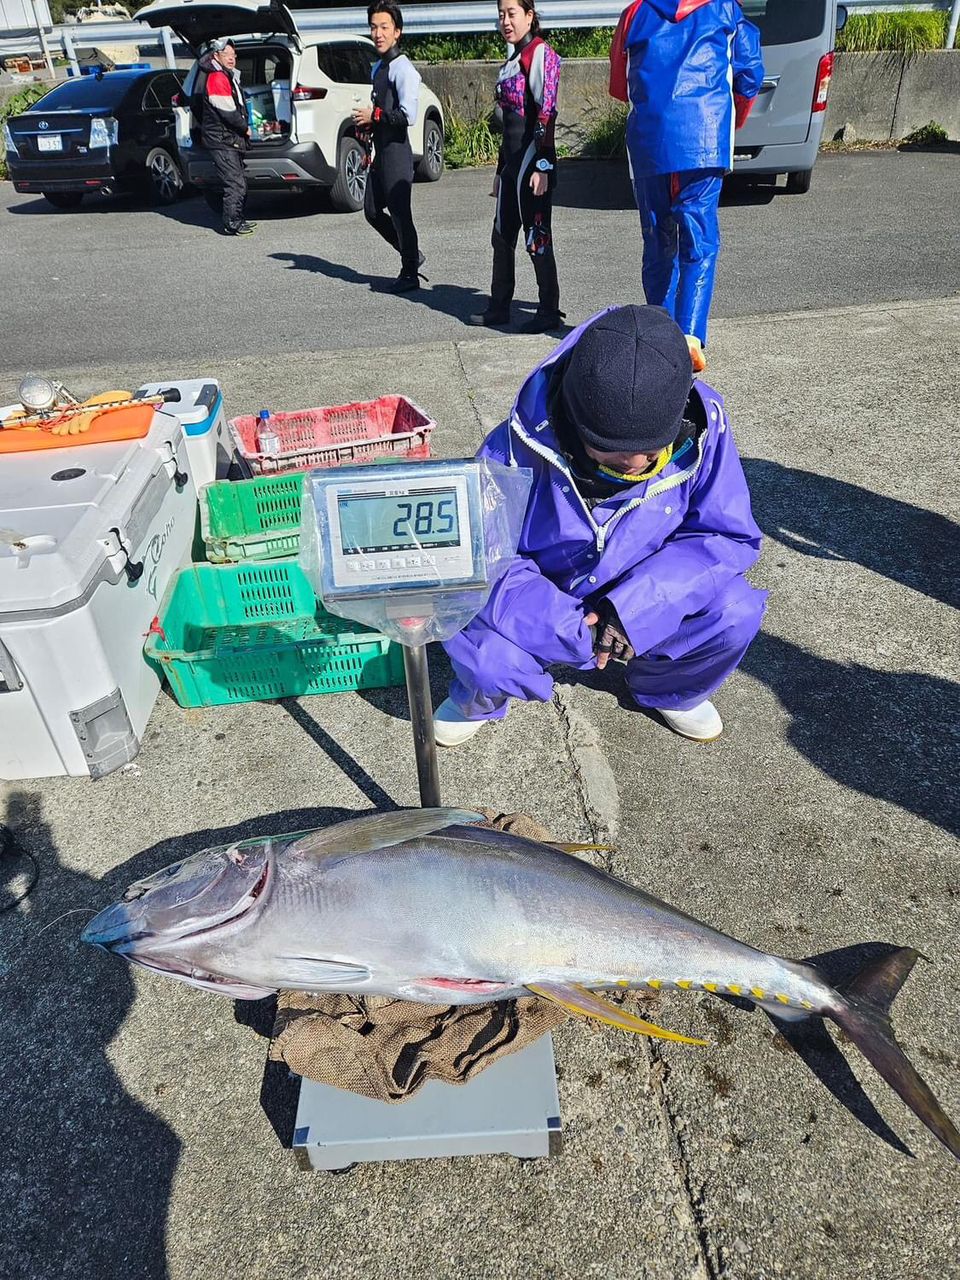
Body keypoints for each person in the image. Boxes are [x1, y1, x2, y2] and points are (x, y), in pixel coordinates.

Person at [434, 304, 766, 746]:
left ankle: (667, 687)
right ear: (573, 418)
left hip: (642, 589)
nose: (634, 465)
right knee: (484, 657)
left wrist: (633, 610)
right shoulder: (509, 449)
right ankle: (481, 698)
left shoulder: (707, 428)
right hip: (544, 598)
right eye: (609, 454)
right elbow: (484, 561)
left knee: (735, 611)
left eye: (652, 453)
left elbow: (726, 534)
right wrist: (574, 628)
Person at [609, 1, 764, 371]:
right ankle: (690, 337)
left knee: (658, 242)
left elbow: (618, 86)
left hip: (649, 145)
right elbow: (750, 75)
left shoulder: (634, 14)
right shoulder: (726, 10)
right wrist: (730, 122)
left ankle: (657, 337)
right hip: (705, 140)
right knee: (699, 242)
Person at [468, 0, 563, 334]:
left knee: (537, 237)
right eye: (501, 14)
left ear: (529, 16)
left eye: (512, 13)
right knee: (501, 237)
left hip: (532, 163)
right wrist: (499, 172)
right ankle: (499, 306)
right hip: (511, 167)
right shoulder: (510, 61)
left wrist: (543, 165)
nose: (505, 20)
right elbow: (507, 124)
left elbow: (546, 112)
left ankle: (549, 310)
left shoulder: (539, 54)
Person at [352, 3, 425, 294]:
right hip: (380, 150)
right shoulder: (379, 67)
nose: (378, 33)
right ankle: (412, 254)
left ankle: (410, 274)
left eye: (384, 27)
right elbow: (381, 110)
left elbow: (407, 116)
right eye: (373, 27)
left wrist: (376, 116)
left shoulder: (403, 69)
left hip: (397, 151)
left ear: (397, 32)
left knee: (399, 212)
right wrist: (367, 133)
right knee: (371, 210)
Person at [194, 37, 255, 236]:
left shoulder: (226, 75)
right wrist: (244, 127)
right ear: (216, 56)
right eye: (226, 54)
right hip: (222, 140)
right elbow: (227, 110)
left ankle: (237, 218)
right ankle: (232, 223)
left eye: (233, 55)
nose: (231, 58)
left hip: (228, 139)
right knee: (235, 182)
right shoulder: (217, 77)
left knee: (238, 181)